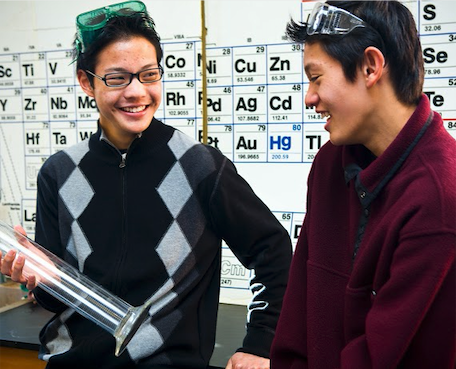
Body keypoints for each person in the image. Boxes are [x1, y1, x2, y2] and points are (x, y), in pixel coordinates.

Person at [0, 1, 292, 368]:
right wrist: (35, 278)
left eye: (149, 74)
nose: (137, 92)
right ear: (86, 81)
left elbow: (273, 250)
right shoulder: (58, 173)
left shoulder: (200, 166)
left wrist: (260, 343)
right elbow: (58, 299)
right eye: (117, 78)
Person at [270, 1, 456, 368]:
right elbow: (296, 319)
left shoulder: (439, 197)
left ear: (370, 67)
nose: (309, 97)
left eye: (316, 77)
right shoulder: (329, 165)